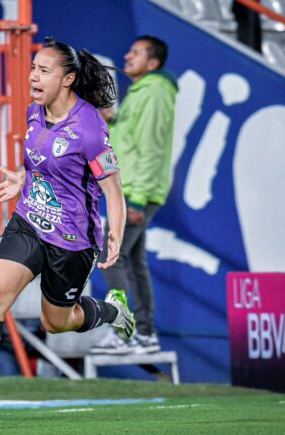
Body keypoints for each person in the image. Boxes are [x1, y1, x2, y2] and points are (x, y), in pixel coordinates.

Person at [0, 37, 135, 414]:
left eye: (44, 70)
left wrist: (115, 234)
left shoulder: (90, 129)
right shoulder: (33, 114)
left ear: (68, 79)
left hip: (72, 239)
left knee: (57, 322)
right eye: (33, 68)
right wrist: (20, 181)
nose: (33, 77)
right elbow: (39, 167)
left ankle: (112, 312)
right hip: (28, 220)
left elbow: (113, 190)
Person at [92, 35, 178, 355]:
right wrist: (112, 119)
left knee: (111, 256)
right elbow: (131, 138)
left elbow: (151, 149)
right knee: (135, 261)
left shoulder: (154, 92)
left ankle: (124, 331)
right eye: (129, 50)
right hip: (130, 189)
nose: (127, 56)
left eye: (136, 53)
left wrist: (138, 199)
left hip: (137, 192)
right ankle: (144, 334)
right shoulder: (143, 90)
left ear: (152, 63)